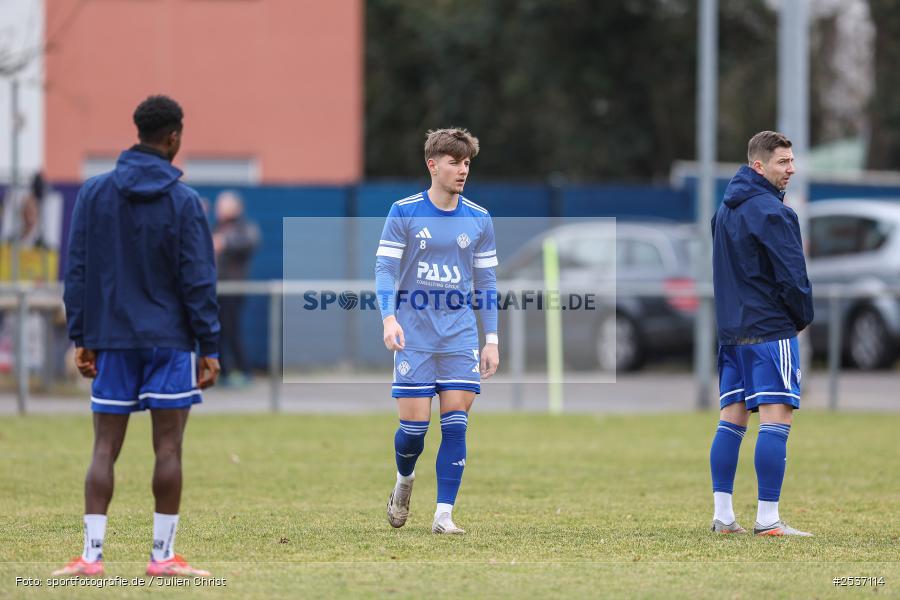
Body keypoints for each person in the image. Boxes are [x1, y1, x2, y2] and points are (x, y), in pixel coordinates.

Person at [56, 95, 221, 576]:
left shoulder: (93, 194)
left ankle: (91, 557)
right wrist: (209, 346)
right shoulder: (185, 202)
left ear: (138, 133)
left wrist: (81, 336)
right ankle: (162, 557)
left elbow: (78, 271)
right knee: (168, 448)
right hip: (169, 343)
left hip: (111, 340)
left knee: (103, 448)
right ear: (173, 137)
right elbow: (198, 281)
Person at [376, 128, 499, 535]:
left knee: (456, 424)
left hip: (459, 336)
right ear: (433, 165)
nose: (463, 170)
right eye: (454, 162)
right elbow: (385, 269)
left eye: (467, 163)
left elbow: (487, 283)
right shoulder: (404, 211)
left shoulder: (479, 218)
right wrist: (389, 318)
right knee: (413, 432)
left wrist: (491, 340)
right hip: (415, 336)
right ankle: (404, 479)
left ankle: (443, 515)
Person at [708, 130, 814, 536]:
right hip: (769, 330)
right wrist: (800, 318)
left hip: (731, 333)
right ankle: (768, 519)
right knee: (776, 417)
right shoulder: (774, 212)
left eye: (792, 160)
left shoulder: (724, 211)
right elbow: (793, 277)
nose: (791, 169)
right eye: (783, 162)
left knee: (731, 420)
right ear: (758, 165)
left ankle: (723, 516)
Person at [212, 191, 260, 385]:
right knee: (216, 332)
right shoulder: (216, 227)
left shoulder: (244, 227)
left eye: (223, 205)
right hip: (216, 289)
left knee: (232, 330)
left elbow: (249, 242)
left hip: (233, 288)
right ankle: (222, 373)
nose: (219, 209)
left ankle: (244, 371)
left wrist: (225, 242)